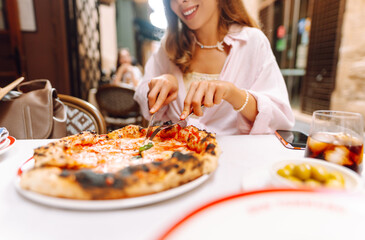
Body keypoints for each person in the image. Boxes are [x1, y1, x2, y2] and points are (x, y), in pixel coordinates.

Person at [134, 0, 295, 135]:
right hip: (176, 159)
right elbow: (142, 97)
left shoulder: (253, 41)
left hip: (235, 163)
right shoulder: (168, 46)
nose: (180, 1)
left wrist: (233, 94)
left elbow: (280, 117)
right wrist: (158, 85)